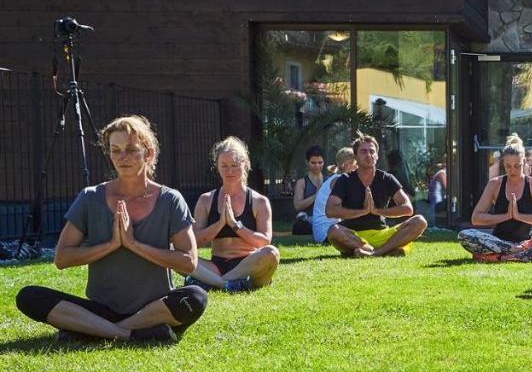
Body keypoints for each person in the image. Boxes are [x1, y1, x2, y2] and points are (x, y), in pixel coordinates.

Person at [15, 115, 207, 344]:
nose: (122, 157)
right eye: (115, 150)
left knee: (195, 296)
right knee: (29, 296)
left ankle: (92, 331)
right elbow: (62, 258)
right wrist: (112, 245)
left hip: (153, 310)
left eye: (131, 149)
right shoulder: (90, 198)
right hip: (100, 309)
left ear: (149, 154)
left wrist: (134, 245)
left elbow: (189, 262)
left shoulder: (170, 200)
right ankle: (129, 334)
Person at [187, 137, 280, 292]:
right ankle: (228, 284)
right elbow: (193, 242)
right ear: (217, 166)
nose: (229, 171)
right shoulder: (206, 200)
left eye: (235, 165)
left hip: (248, 264)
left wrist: (235, 225)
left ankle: (212, 282)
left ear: (245, 164)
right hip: (216, 265)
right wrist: (219, 224)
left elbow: (263, 242)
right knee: (174, 251)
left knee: (271, 253)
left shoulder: (259, 201)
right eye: (224, 166)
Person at [458, 134, 532, 263]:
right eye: (508, 166)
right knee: (464, 235)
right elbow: (476, 218)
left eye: (517, 166)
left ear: (524, 162)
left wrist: (519, 216)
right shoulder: (495, 184)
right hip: (500, 241)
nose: (512, 170)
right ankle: (516, 251)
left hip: (528, 240)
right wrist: (507, 215)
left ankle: (502, 257)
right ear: (503, 163)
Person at [324, 133, 427, 257]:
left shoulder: (386, 178)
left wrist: (376, 211)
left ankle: (374, 253)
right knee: (333, 231)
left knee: (420, 221)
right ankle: (379, 250)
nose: (368, 155)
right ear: (355, 156)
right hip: (353, 236)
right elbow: (330, 210)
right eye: (363, 151)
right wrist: (363, 211)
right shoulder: (345, 179)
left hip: (381, 234)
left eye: (372, 151)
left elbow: (408, 208)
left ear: (377, 156)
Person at [311, 147, 357, 244]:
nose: (358, 168)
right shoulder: (339, 180)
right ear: (346, 165)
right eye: (356, 164)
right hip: (326, 234)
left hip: (328, 231)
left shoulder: (337, 179)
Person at [292, 144, 326, 225]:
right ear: (307, 162)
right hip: (307, 219)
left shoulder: (329, 181)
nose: (317, 165)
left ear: (324, 162)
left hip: (325, 218)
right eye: (313, 163)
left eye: (320, 162)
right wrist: (316, 195)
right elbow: (297, 206)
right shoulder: (302, 182)